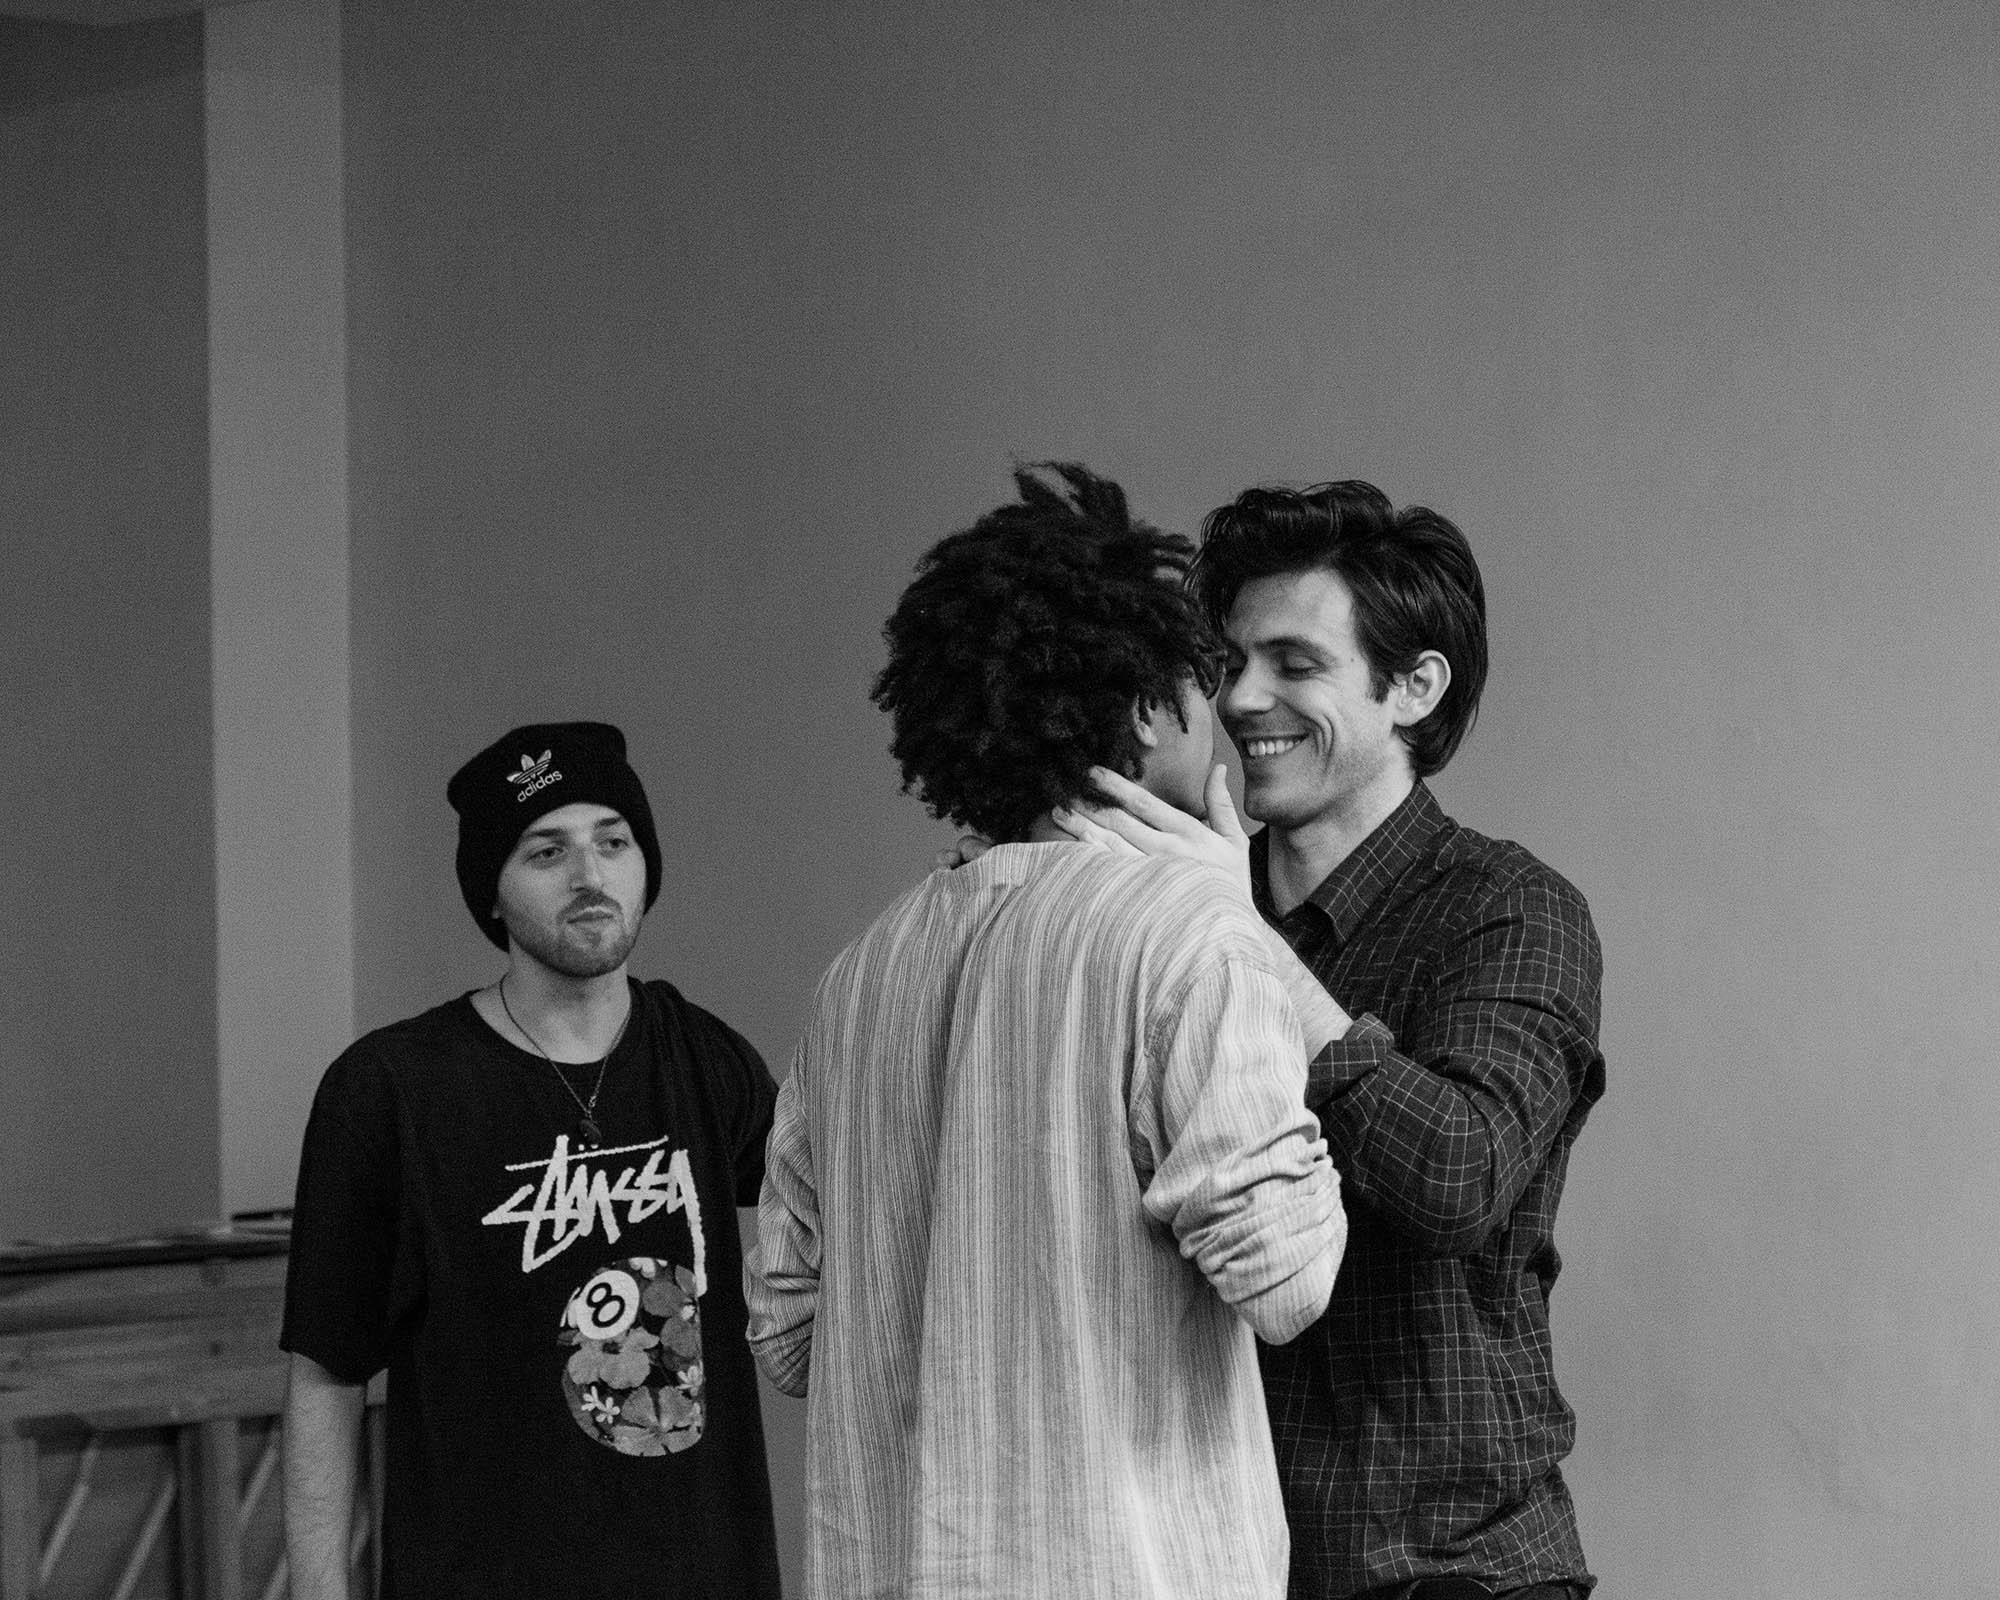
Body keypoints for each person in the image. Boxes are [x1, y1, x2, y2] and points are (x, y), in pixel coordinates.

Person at [744, 464, 1351, 1600]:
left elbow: (785, 1335)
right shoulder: (1192, 936)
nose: (1222, 718)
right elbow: (1286, 1281)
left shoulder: (859, 976)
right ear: (1150, 709)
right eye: (1201, 683)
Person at [1064, 482, 1604, 1600]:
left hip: (1447, 1571)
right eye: (1229, 662)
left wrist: (1240, 941)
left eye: (1294, 663)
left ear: (1414, 687)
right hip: (1214, 1566)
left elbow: (1454, 1175)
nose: (1240, 698)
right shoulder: (1170, 911)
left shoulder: (1510, 907)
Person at [280, 721, 781, 1600]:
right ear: (492, 894)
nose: (590, 875)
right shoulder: (392, 1089)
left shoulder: (703, 1057)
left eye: (613, 843)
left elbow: (853, 1191)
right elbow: (328, 1370)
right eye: (547, 851)